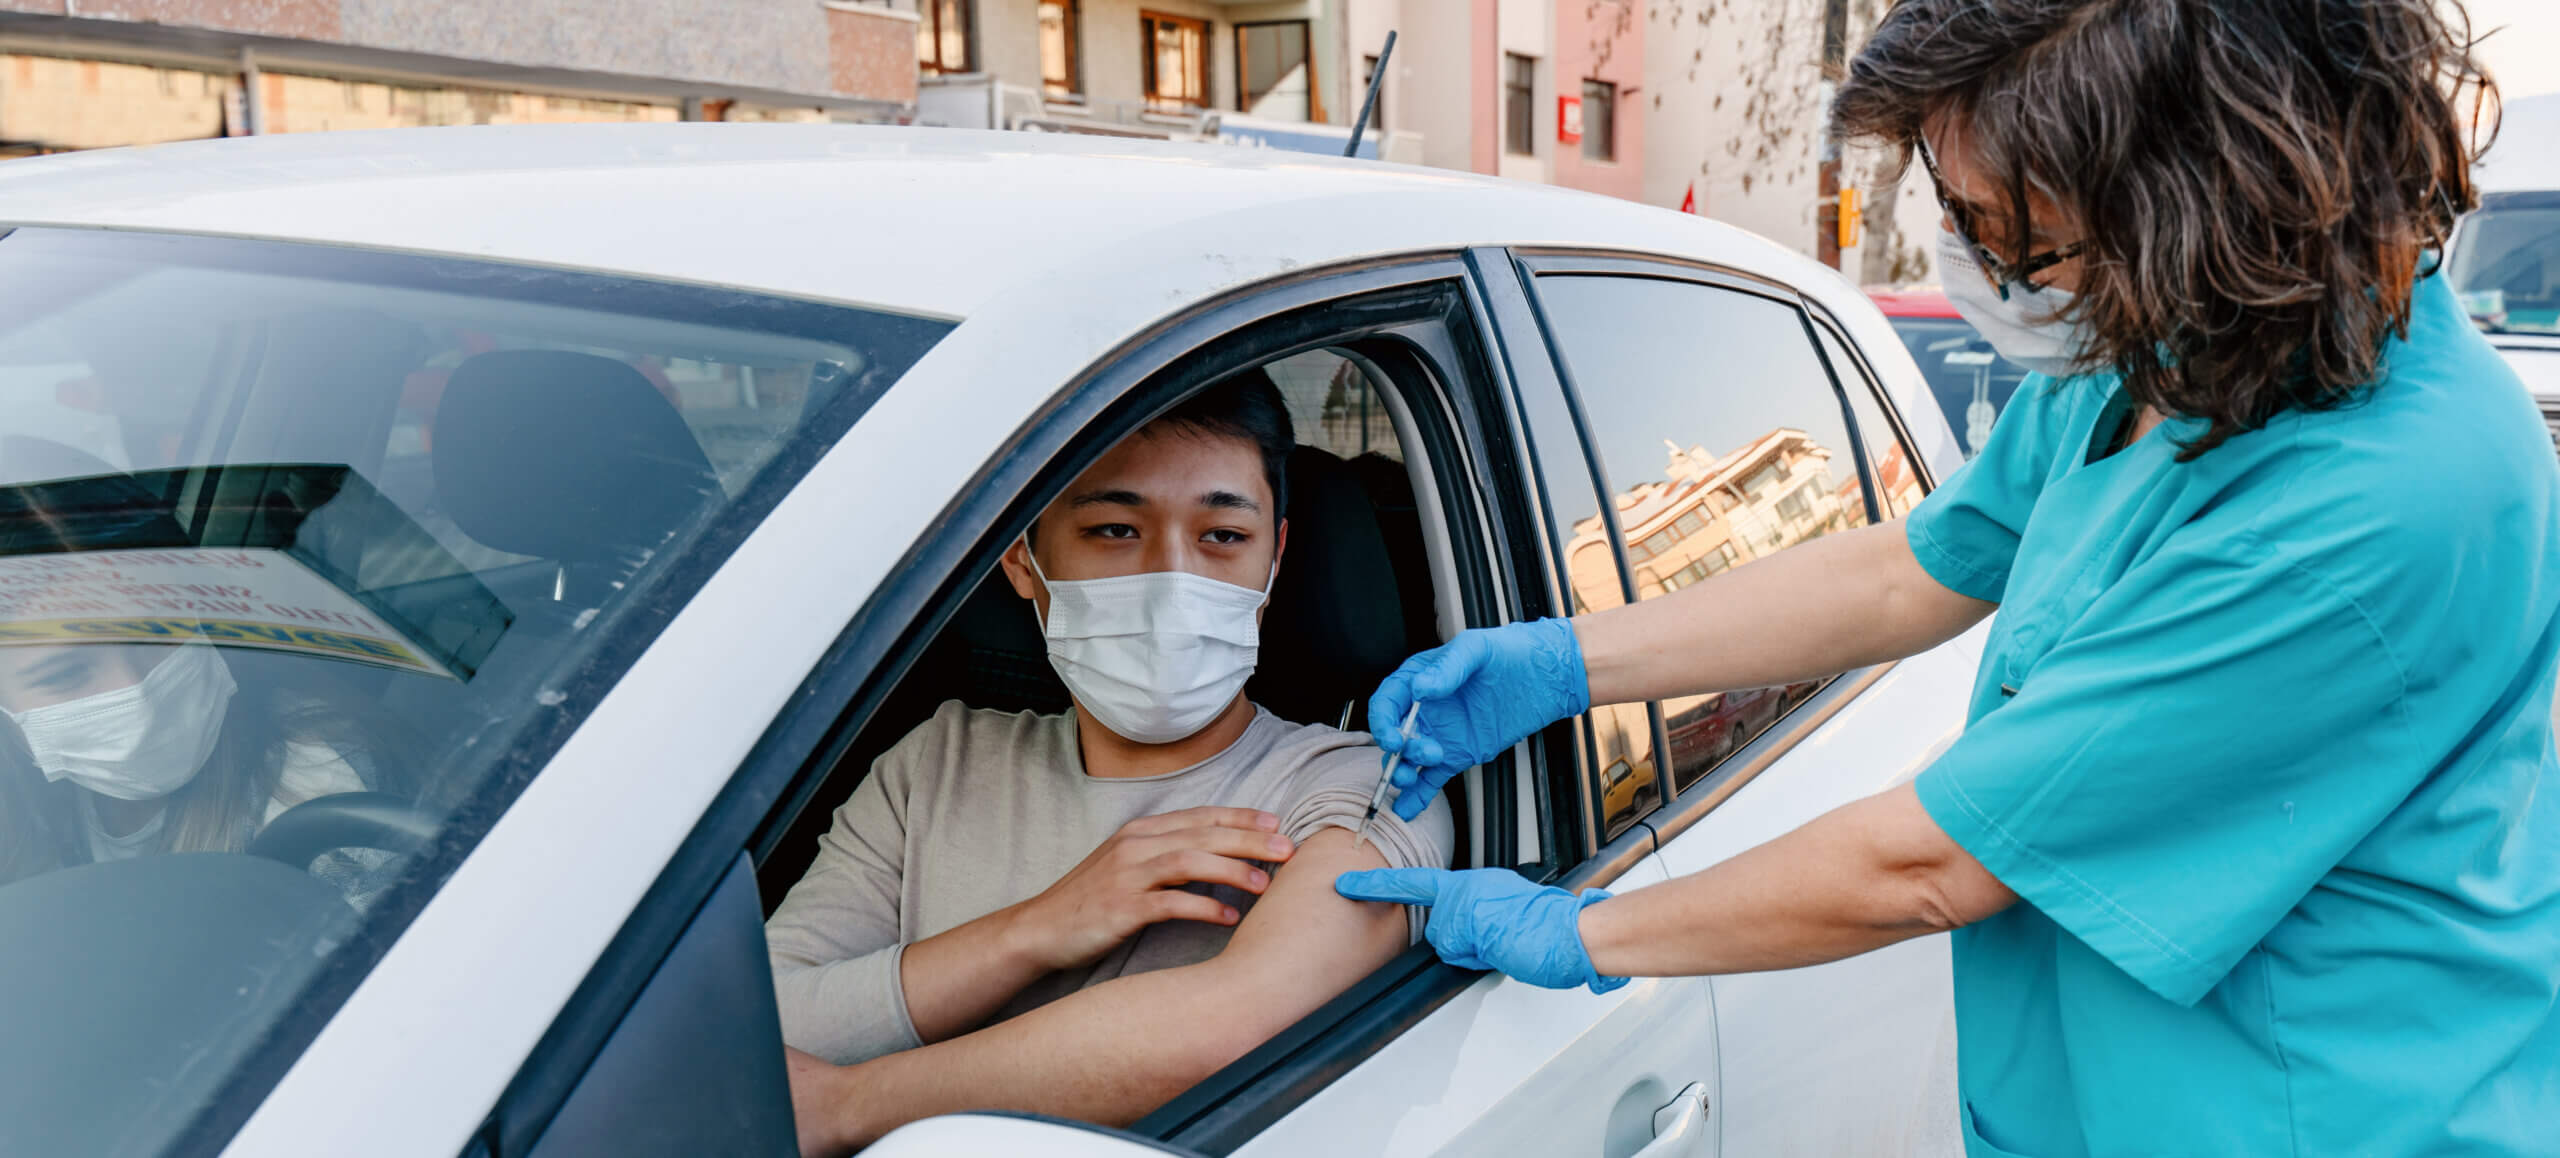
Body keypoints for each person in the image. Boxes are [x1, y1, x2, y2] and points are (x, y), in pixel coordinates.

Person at [1337, 2, 2558, 1155]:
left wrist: (1580, 931)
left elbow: (1928, 864)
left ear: (2184, 202)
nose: (1979, 261)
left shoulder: (2377, 502)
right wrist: (1565, 663)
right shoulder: (2179, 345)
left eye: (2006, 227)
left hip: (2312, 1110)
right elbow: (1907, 572)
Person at [771, 374, 1454, 1156]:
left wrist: (853, 1105)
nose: (1174, 581)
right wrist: (1034, 930)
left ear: (1274, 562)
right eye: (1114, 530)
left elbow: (1229, 1027)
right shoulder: (938, 758)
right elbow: (761, 1022)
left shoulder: (1367, 786)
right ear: (1025, 559)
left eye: (1223, 538)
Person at [0, 484, 398, 898]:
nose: (136, 692)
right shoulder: (28, 805)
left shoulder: (312, 795)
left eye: (160, 632)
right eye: (66, 675)